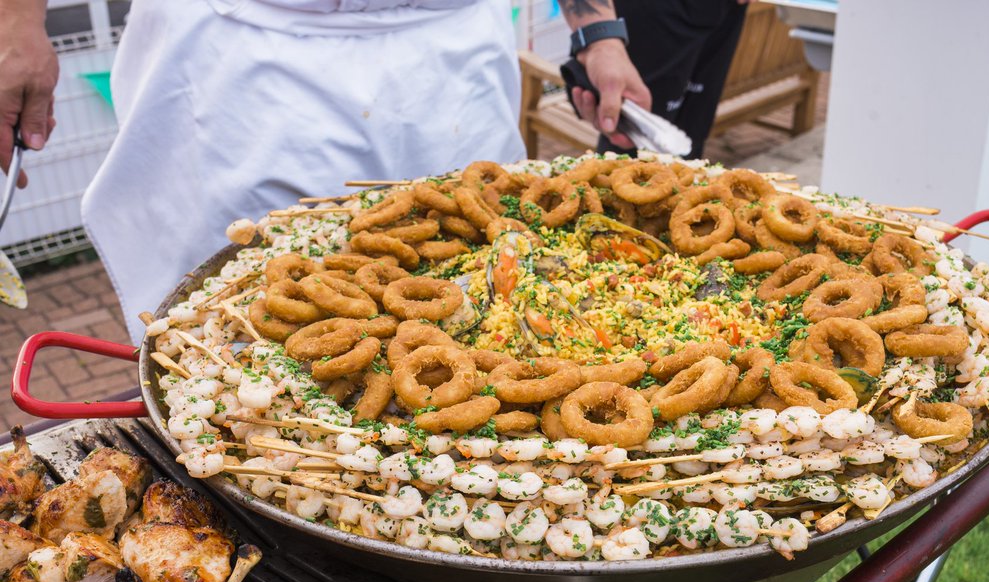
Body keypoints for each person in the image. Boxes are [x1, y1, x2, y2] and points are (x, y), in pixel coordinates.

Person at [0, 0, 649, 336]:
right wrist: (15, 22)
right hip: (245, 48)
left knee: (491, 283)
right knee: (238, 311)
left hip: (452, 49)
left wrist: (597, 31)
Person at [578, 0, 755, 160]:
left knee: (692, 136)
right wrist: (600, 43)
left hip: (725, 9)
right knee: (635, 138)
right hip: (656, 13)